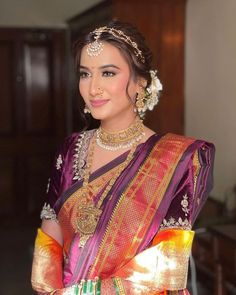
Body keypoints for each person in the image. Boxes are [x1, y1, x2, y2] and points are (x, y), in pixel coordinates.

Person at [31, 20, 215, 295]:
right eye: (84, 74)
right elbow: (50, 239)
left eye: (107, 73)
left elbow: (164, 267)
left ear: (140, 82)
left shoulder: (178, 160)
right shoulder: (70, 149)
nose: (92, 88)